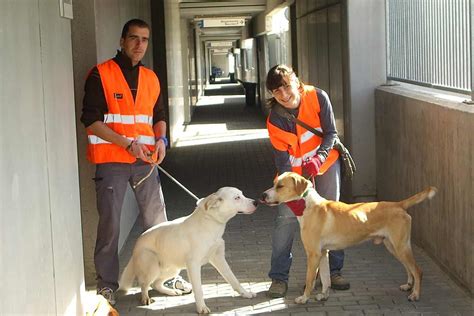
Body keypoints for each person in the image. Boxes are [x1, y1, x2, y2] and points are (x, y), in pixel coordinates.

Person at [80, 18, 190, 305]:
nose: (139, 44)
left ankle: (165, 277)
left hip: (145, 162)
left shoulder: (151, 78)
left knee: (158, 222)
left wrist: (161, 141)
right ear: (122, 40)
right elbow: (90, 121)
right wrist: (128, 144)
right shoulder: (100, 74)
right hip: (112, 162)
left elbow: (159, 115)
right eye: (134, 38)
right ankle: (106, 285)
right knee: (110, 226)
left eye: (144, 39)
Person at [265, 64, 350, 298]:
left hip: (326, 165)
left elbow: (331, 133)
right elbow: (283, 161)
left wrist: (319, 158)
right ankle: (278, 278)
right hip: (294, 176)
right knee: (286, 219)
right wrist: (289, 193)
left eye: (286, 87)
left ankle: (334, 272)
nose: (283, 95)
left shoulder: (318, 97)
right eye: (276, 92)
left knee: (334, 216)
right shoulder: (275, 119)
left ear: (297, 82)